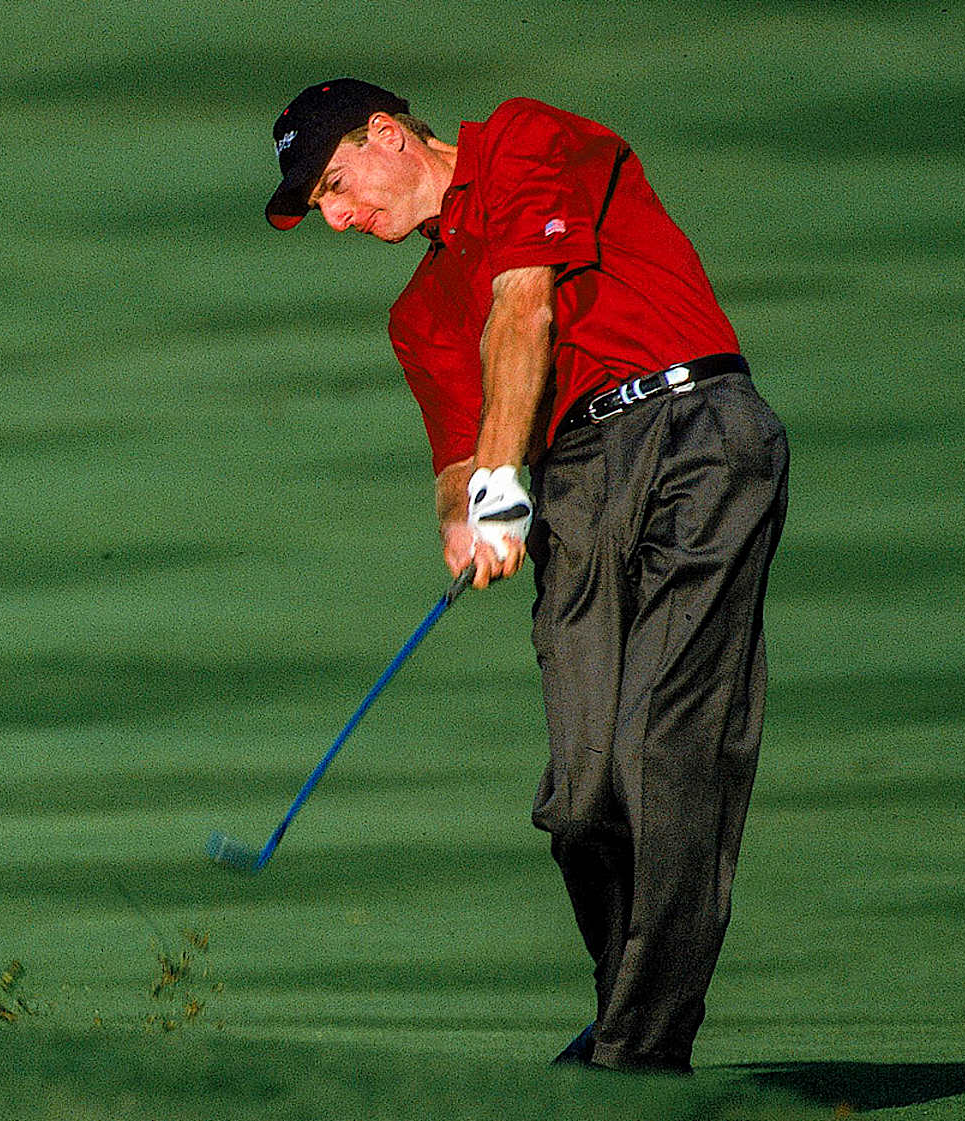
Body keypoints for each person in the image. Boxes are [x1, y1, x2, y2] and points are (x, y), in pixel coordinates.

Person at [262, 78, 790, 1074]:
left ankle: (638, 1054)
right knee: (586, 794)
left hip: (696, 430)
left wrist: (503, 473)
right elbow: (457, 464)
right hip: (578, 488)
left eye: (336, 184)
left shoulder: (521, 139)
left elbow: (523, 305)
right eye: (323, 206)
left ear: (389, 136)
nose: (338, 218)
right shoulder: (419, 315)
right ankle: (627, 1016)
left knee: (670, 752)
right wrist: (467, 517)